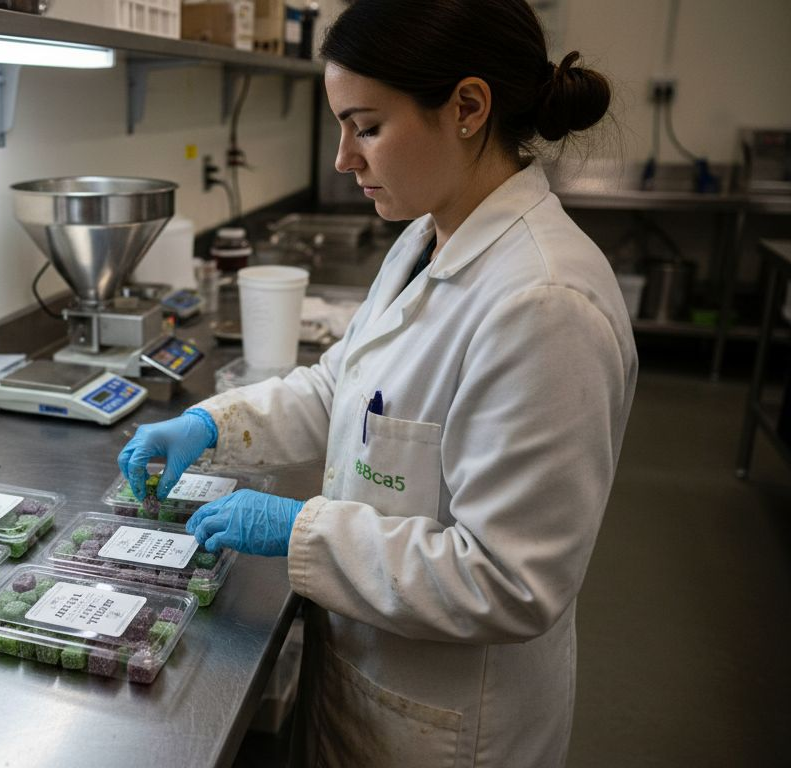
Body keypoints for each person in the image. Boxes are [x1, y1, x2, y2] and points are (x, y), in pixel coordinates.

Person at [117, 1, 637, 765]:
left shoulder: (544, 303)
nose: (343, 159)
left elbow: (511, 581)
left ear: (467, 108)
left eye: (365, 127)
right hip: (369, 683)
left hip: (451, 728)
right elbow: (344, 389)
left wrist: (301, 531)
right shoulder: (427, 237)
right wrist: (212, 425)